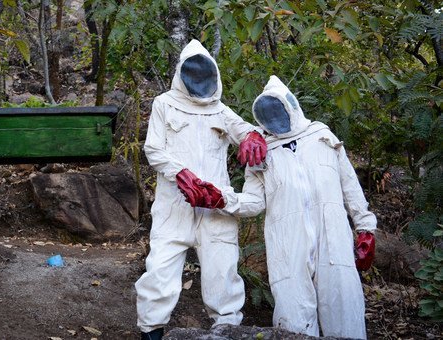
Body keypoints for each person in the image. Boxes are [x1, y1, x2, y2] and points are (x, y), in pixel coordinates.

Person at [187, 75, 376, 339]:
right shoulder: (263, 153)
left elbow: (350, 186)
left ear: (292, 106)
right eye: (268, 112)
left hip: (333, 240)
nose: (275, 117)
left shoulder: (322, 136)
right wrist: (221, 199)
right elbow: (254, 202)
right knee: (294, 321)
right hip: (287, 247)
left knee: (344, 310)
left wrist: (366, 227)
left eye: (278, 108)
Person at [135, 39, 267, 340]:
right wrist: (181, 173)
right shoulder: (164, 104)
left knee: (223, 280)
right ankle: (151, 333)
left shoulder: (220, 110)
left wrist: (252, 137)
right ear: (181, 74)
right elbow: (153, 149)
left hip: (216, 208)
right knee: (158, 276)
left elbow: (245, 129)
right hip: (174, 207)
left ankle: (225, 333)